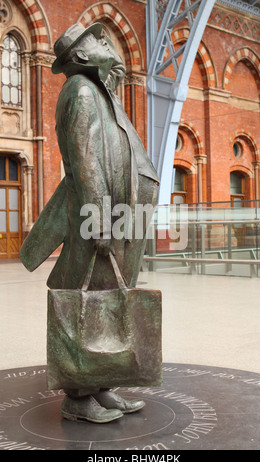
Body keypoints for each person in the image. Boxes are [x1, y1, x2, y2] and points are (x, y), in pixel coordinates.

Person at [20, 23, 160, 423]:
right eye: (99, 41)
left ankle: (101, 385)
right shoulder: (80, 91)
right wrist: (98, 218)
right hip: (98, 218)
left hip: (121, 216)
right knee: (85, 298)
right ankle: (77, 397)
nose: (107, 43)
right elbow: (85, 161)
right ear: (80, 56)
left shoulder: (100, 91)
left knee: (107, 302)